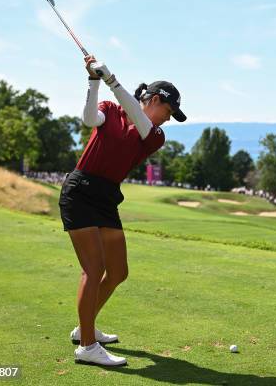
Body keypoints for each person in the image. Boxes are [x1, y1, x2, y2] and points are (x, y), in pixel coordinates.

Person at [60, 55, 186, 366]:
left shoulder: (154, 135)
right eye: (168, 112)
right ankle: (87, 347)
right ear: (155, 100)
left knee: (118, 271)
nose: (168, 120)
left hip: (106, 198)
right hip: (81, 191)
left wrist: (113, 81)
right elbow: (90, 119)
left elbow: (140, 122)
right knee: (94, 269)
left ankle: (84, 328)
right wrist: (93, 81)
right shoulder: (112, 110)